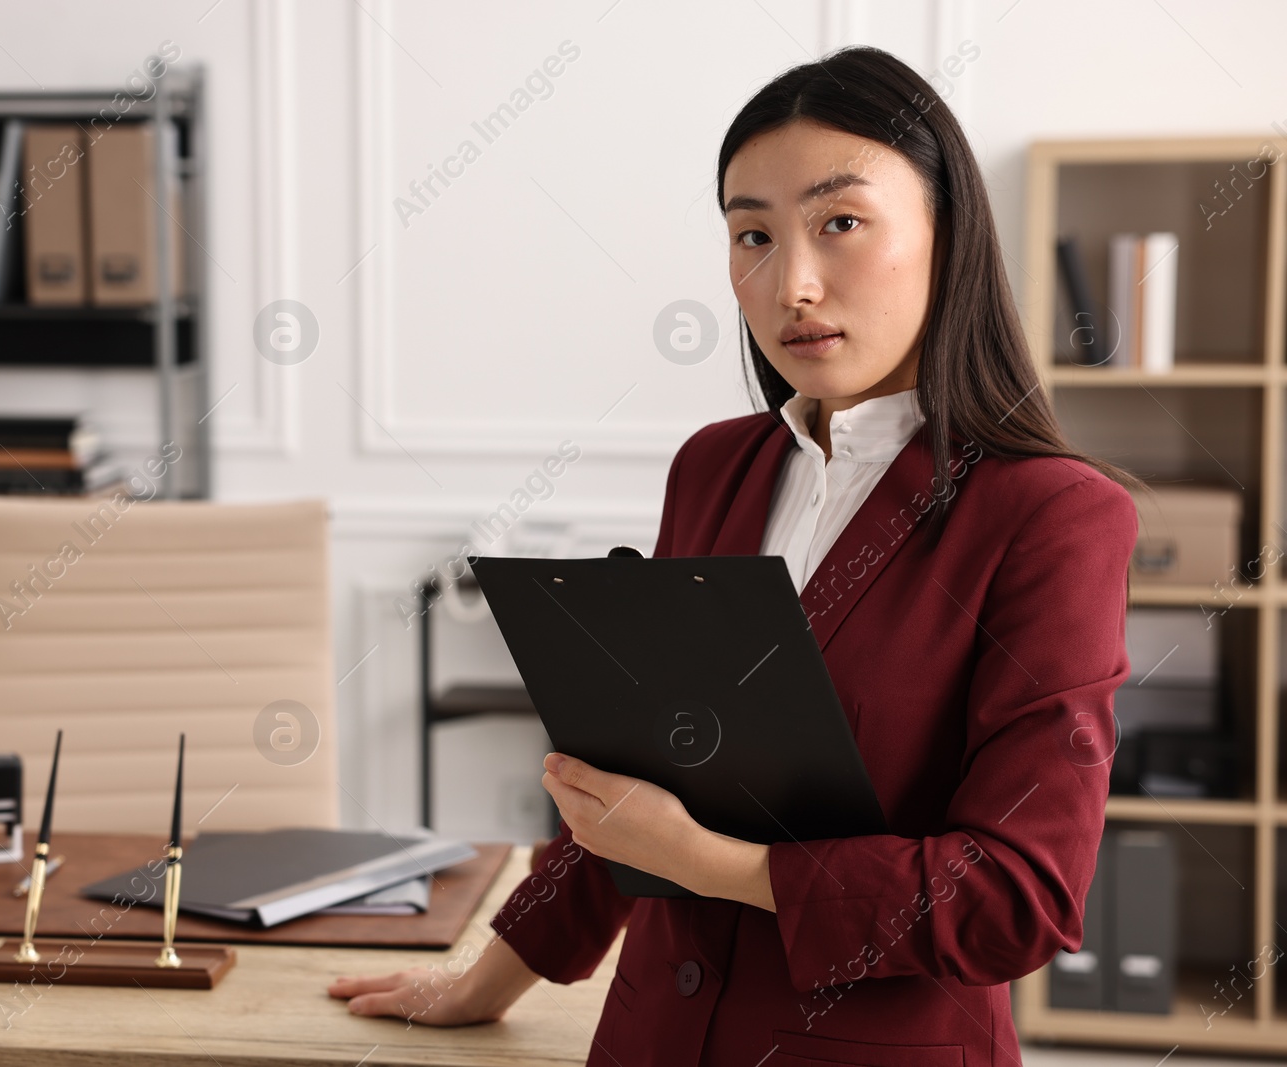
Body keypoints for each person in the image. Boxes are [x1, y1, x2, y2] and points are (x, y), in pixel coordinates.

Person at [329, 44, 1142, 1066]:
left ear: (948, 233)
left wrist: (715, 863)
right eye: (751, 233)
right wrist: (481, 981)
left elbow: (1018, 896)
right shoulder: (714, 468)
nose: (791, 281)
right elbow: (625, 784)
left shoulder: (1052, 516)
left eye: (839, 223)